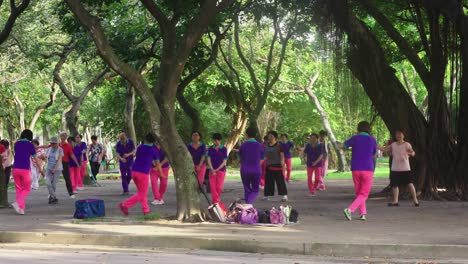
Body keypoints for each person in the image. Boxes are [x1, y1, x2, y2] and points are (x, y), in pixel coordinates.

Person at [338, 121, 377, 221]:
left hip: (355, 168)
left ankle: (362, 213)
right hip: (368, 168)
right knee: (364, 194)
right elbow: (374, 154)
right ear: (368, 129)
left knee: (359, 192)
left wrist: (339, 145)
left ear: (358, 129)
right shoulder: (372, 140)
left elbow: (343, 146)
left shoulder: (355, 138)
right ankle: (350, 210)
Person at [119, 133, 159, 216]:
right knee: (142, 193)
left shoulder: (140, 147)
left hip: (134, 171)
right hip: (143, 173)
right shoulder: (154, 149)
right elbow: (156, 163)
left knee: (141, 192)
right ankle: (125, 204)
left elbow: (140, 157)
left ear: (145, 139)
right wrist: (160, 172)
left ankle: (146, 210)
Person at [379, 130, 419, 207]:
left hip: (405, 168)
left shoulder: (407, 144)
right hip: (395, 168)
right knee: (395, 185)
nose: (398, 136)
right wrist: (376, 145)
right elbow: (384, 149)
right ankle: (395, 201)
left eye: (400, 134)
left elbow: (413, 153)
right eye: (397, 134)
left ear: (403, 135)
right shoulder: (393, 144)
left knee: (410, 184)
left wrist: (411, 153)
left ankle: (415, 200)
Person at [11, 129, 43, 215]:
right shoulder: (30, 145)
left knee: (19, 189)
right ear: (30, 136)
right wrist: (40, 169)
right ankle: (18, 203)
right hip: (24, 169)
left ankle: (21, 209)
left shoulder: (16, 144)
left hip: (15, 169)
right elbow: (35, 158)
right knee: (27, 188)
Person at [238, 126, 264, 204]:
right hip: (256, 170)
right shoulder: (260, 146)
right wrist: (256, 165)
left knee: (247, 189)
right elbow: (262, 159)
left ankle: (247, 206)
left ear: (246, 135)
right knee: (255, 190)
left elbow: (240, 158)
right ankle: (248, 204)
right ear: (256, 134)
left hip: (244, 169)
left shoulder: (243, 146)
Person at [264, 130, 288, 202]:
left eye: (271, 136)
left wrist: (282, 162)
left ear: (275, 137)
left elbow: (282, 155)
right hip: (269, 166)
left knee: (280, 182)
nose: (269, 137)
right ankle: (267, 196)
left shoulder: (279, 145)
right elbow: (265, 156)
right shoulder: (266, 146)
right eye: (269, 136)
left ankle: (284, 196)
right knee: (268, 182)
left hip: (277, 166)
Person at [207, 133, 228, 205]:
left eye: (217, 140)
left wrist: (217, 169)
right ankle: (216, 202)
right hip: (212, 171)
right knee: (212, 187)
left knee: (219, 188)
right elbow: (209, 159)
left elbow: (224, 161)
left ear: (220, 140)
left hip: (221, 170)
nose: (216, 142)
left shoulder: (224, 149)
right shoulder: (210, 148)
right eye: (214, 140)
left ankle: (215, 201)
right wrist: (212, 169)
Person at [59, 132, 80, 199]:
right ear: (60, 136)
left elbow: (72, 155)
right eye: (62, 136)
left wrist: (77, 163)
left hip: (65, 163)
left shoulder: (68, 146)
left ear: (66, 137)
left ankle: (71, 193)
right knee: (53, 179)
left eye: (65, 136)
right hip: (56, 163)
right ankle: (51, 193)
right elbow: (47, 146)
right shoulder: (57, 144)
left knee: (67, 178)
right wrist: (37, 147)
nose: (63, 137)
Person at [44, 137, 64, 204]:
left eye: (54, 143)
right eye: (52, 143)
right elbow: (46, 158)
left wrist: (55, 168)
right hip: (49, 168)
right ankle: (54, 197)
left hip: (57, 169)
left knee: (53, 184)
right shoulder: (49, 149)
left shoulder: (60, 150)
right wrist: (43, 158)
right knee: (48, 182)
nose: (53, 144)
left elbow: (59, 160)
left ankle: (51, 198)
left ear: (57, 143)